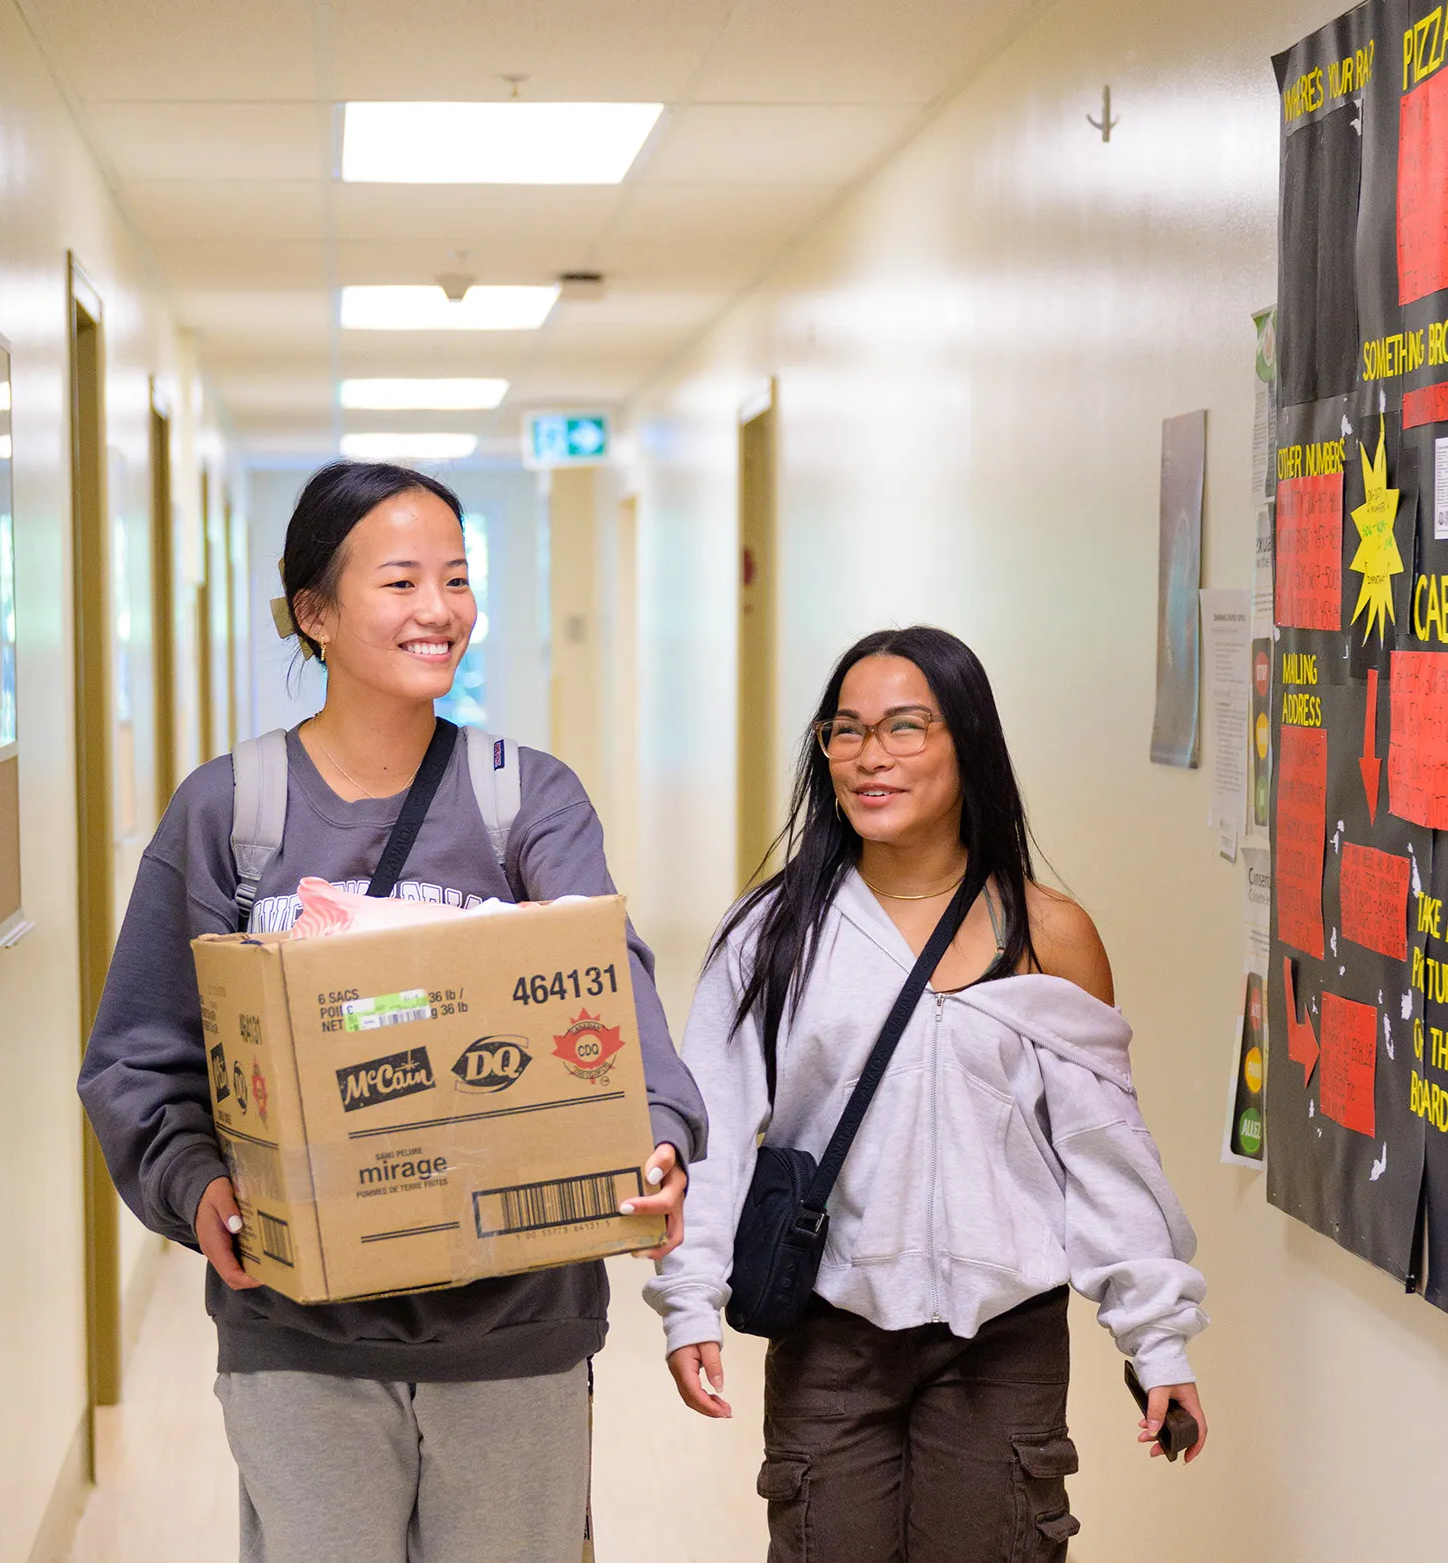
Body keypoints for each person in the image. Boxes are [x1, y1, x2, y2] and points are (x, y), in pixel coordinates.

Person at [79, 461, 706, 1563]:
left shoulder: (526, 799)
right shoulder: (231, 813)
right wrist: (196, 1187)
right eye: (402, 581)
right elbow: (142, 1052)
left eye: (456, 579)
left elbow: (606, 982)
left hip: (515, 1326)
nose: (438, 611)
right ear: (312, 613)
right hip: (299, 1327)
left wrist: (658, 1128)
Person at [645, 626, 1208, 1563]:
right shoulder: (773, 934)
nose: (870, 756)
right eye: (846, 730)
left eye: (906, 727)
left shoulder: (1048, 933)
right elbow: (713, 1131)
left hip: (1003, 1339)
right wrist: (689, 1301)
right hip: (832, 1331)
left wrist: (1157, 1340)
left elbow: (1106, 1160)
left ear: (967, 743)